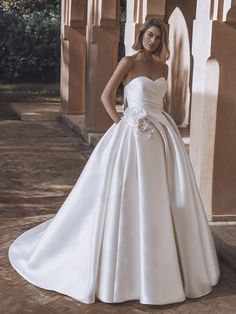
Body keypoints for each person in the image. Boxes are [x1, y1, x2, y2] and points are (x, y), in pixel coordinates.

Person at [8, 18, 220, 305]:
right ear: (141, 35)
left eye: (158, 37)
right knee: (129, 192)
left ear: (161, 41)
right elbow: (106, 95)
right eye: (150, 35)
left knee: (163, 193)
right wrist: (123, 120)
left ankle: (169, 263)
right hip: (132, 133)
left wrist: (160, 118)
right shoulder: (128, 62)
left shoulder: (163, 67)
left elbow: (161, 101)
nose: (153, 41)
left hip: (162, 136)